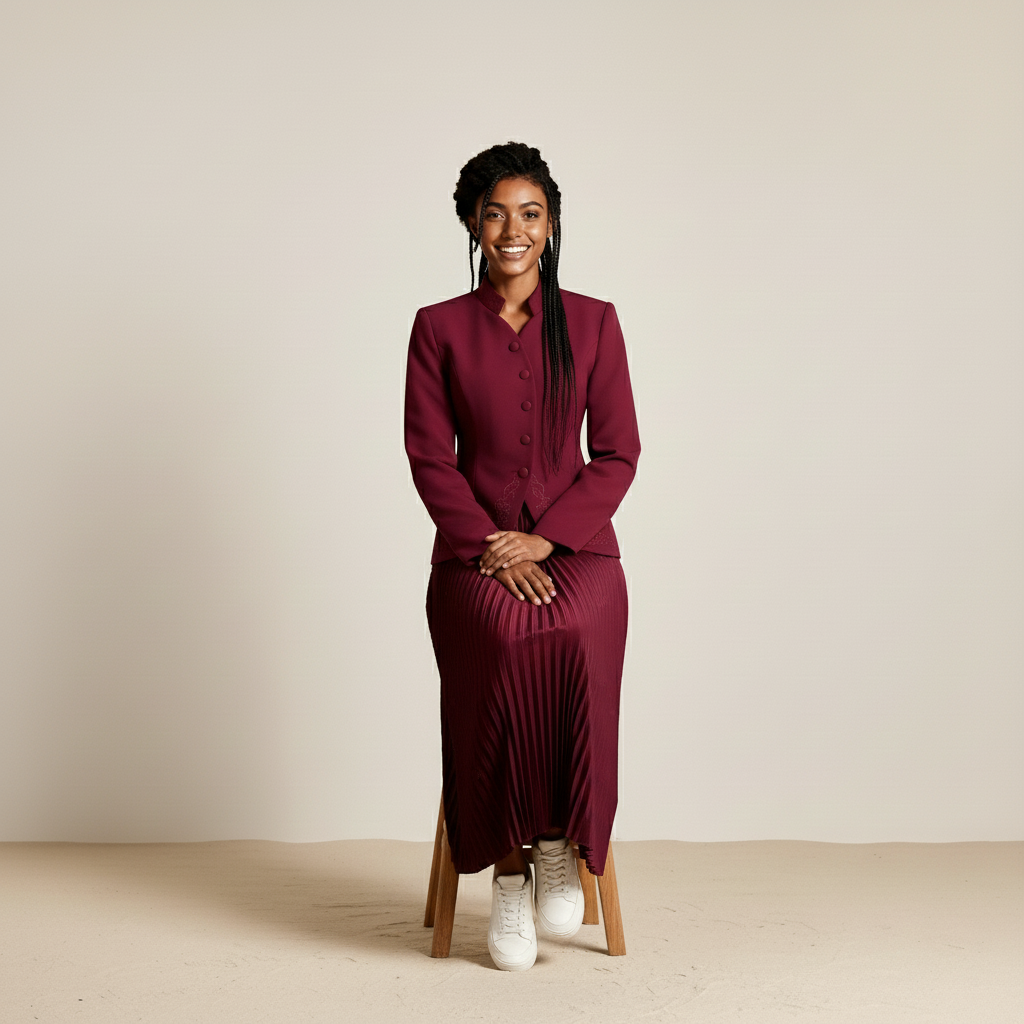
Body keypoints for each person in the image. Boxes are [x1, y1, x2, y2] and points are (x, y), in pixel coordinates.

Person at [404, 142, 640, 971]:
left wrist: (547, 537)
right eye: (496, 212)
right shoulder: (438, 328)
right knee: (502, 642)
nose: (513, 229)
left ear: (551, 225)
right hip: (470, 556)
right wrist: (491, 550)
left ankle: (559, 845)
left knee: (574, 635)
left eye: (530, 213)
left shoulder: (597, 320)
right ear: (474, 221)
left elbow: (617, 454)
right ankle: (507, 870)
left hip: (576, 549)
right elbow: (430, 458)